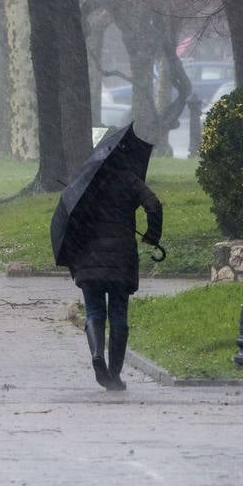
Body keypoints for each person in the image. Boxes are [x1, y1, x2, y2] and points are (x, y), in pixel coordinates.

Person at [65, 159, 163, 391]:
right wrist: (152, 235)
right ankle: (115, 375)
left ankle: (97, 353)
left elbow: (72, 221)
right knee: (118, 313)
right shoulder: (128, 178)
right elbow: (154, 204)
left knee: (94, 311)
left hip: (89, 258)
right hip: (120, 258)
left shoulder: (86, 182)